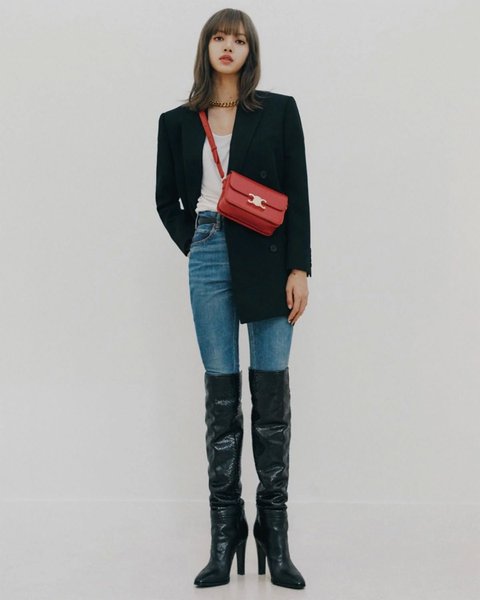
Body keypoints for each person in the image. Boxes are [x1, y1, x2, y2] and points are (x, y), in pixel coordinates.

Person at [155, 8, 311, 590]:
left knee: (272, 400)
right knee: (221, 399)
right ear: (206, 47)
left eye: (238, 40)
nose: (228, 47)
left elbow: (298, 192)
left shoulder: (278, 111)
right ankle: (226, 534)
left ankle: (275, 531)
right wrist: (197, 245)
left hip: (269, 259)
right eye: (219, 38)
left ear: (250, 51)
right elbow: (166, 199)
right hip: (209, 255)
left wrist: (300, 267)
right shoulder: (177, 121)